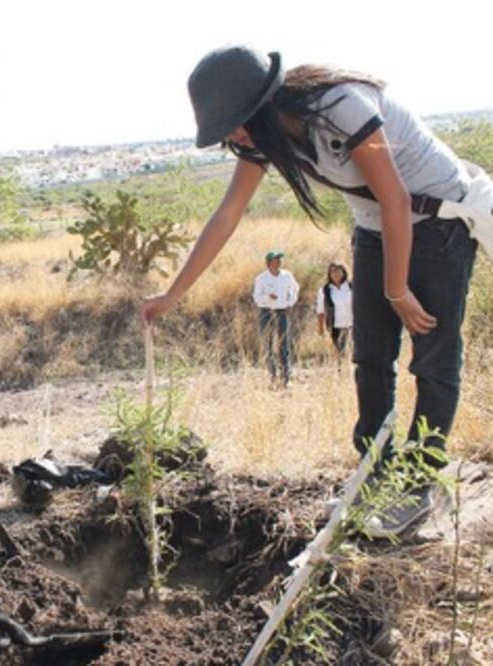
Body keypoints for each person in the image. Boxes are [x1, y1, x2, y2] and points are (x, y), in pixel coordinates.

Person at [140, 45, 478, 538]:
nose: (234, 136)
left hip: (436, 221)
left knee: (433, 357)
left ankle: (419, 481)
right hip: (377, 227)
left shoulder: (339, 107)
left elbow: (397, 198)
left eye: (236, 123)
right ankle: (374, 473)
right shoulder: (262, 140)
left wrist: (397, 290)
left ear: (262, 104)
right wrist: (172, 295)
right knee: (370, 356)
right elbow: (227, 215)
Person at [253, 249, 299, 387]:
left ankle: (286, 377)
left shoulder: (287, 276)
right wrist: (268, 297)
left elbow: (295, 288)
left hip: (282, 311)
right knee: (267, 344)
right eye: (275, 260)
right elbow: (256, 298)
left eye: (279, 260)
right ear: (268, 263)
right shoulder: (261, 278)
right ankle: (272, 376)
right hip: (266, 312)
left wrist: (290, 302)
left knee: (284, 344)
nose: (278, 262)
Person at [316, 261, 353, 356]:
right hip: (336, 326)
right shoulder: (325, 290)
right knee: (342, 353)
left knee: (355, 353)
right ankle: (342, 370)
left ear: (343, 272)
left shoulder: (352, 286)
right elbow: (320, 311)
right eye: (332, 271)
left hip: (354, 325)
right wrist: (321, 329)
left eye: (338, 271)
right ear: (329, 274)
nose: (335, 274)